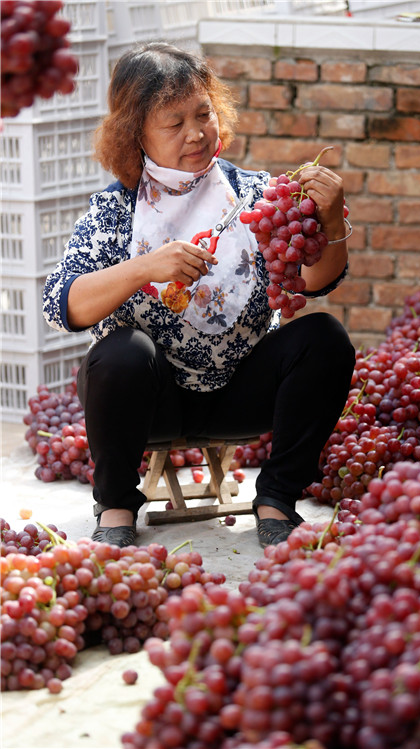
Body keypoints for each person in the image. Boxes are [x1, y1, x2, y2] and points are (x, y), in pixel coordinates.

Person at [42, 41, 356, 549]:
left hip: (242, 395)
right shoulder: (115, 213)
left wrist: (327, 218)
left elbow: (320, 282)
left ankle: (277, 498)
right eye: (173, 123)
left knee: (325, 338)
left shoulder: (257, 197)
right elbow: (62, 304)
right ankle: (117, 504)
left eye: (203, 114)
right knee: (120, 352)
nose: (196, 133)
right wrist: (146, 266)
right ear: (135, 134)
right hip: (148, 406)